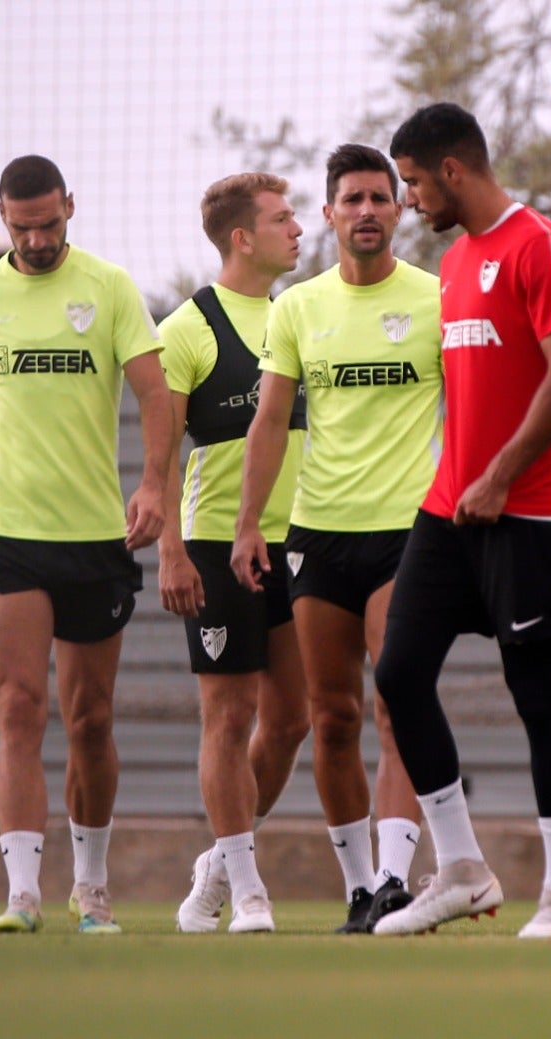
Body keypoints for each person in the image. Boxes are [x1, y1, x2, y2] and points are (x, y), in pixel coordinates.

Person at [369, 103, 551, 939]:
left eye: (415, 183)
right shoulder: (457, 261)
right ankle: (462, 867)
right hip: (450, 507)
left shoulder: (540, 246)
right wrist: (469, 481)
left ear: (453, 172)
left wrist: (501, 476)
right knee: (397, 674)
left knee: (537, 692)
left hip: (533, 508)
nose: (410, 200)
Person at [0, 154, 174, 935]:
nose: (37, 238)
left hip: (93, 535)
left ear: (70, 206)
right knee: (17, 706)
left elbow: (155, 395)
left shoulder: (108, 289)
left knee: (91, 719)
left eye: (48, 222)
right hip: (7, 531)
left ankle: (93, 884)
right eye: (21, 226)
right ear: (3, 217)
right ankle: (22, 893)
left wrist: (152, 488)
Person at [230, 144, 439, 934]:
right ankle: (359, 886)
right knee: (333, 715)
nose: (366, 211)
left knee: (398, 701)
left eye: (381, 198)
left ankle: (395, 876)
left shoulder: (436, 299)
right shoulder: (297, 308)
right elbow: (269, 422)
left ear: (400, 209)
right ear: (328, 214)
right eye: (351, 199)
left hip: (409, 531)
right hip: (316, 535)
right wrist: (248, 524)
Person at [156, 172, 310, 934]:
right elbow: (159, 459)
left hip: (303, 543)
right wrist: (170, 552)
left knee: (292, 720)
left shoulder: (301, 316)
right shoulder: (187, 327)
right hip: (219, 545)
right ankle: (246, 887)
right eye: (284, 218)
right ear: (241, 237)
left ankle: (218, 858)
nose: (300, 228)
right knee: (229, 714)